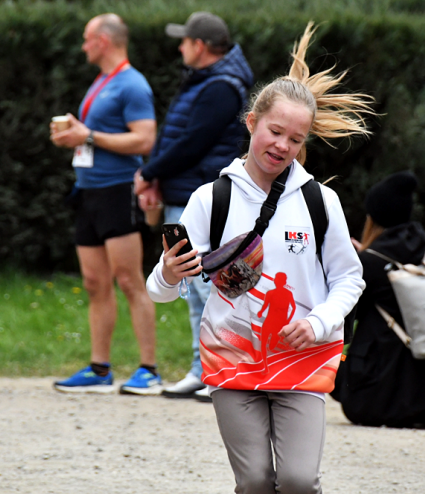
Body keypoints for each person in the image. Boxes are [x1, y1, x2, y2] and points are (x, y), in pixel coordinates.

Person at [146, 22, 372, 493]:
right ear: (251, 122)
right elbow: (163, 292)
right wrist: (168, 274)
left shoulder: (319, 202)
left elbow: (350, 279)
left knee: (297, 480)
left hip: (302, 357)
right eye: (274, 132)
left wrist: (319, 323)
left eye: (295, 139)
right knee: (252, 482)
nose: (282, 147)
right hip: (232, 360)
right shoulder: (212, 199)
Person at [134, 11, 254, 400]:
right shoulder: (207, 81)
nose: (180, 46)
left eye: (184, 41)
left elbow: (192, 144)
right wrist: (160, 179)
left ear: (200, 46)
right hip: (185, 192)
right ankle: (201, 370)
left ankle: (221, 370)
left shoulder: (221, 86)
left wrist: (150, 172)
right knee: (191, 285)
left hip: (201, 198)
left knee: (208, 287)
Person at [50, 13, 162, 395]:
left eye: (87, 38)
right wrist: (74, 134)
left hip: (118, 192)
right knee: (95, 283)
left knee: (130, 280)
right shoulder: (102, 81)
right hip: (89, 192)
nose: (82, 46)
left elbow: (145, 140)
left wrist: (89, 135)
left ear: (104, 40)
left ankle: (149, 369)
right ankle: (100, 369)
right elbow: (94, 136)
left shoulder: (133, 84)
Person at [331, 171, 425, 429]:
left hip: (378, 389)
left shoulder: (370, 261)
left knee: (334, 356)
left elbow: (345, 320)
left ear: (374, 217)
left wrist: (358, 264)